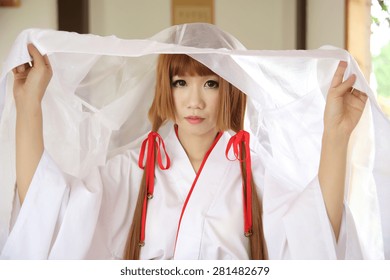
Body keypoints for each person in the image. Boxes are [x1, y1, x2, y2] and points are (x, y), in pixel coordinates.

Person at [0, 23, 388, 259]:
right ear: (166, 87)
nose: (194, 100)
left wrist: (336, 137)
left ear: (231, 89)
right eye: (180, 82)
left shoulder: (256, 168)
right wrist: (28, 104)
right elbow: (49, 209)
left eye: (211, 83)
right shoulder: (132, 168)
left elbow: (315, 236)